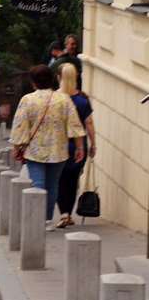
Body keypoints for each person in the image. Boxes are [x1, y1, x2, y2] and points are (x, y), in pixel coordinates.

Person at [10, 64, 85, 228]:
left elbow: (20, 127)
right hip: (58, 151)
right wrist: (79, 148)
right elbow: (75, 125)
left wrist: (16, 149)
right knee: (52, 186)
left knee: (38, 183)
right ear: (52, 80)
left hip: (35, 151)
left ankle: (37, 220)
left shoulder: (28, 100)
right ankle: (47, 219)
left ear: (33, 82)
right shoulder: (63, 99)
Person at [55, 63, 96, 228]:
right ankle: (68, 213)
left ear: (59, 78)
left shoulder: (55, 98)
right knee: (72, 181)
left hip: (58, 145)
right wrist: (93, 144)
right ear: (76, 77)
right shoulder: (83, 99)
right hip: (78, 147)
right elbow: (90, 123)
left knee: (58, 180)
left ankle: (63, 213)